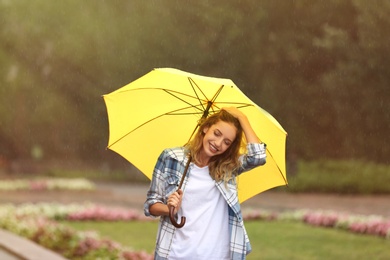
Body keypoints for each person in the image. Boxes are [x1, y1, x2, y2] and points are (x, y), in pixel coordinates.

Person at [144, 107, 267, 260]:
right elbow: (151, 204)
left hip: (217, 255)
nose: (218, 143)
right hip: (175, 253)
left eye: (227, 142)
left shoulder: (228, 167)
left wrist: (242, 118)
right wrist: (169, 209)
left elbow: (258, 157)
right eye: (217, 134)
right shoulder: (171, 157)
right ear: (205, 128)